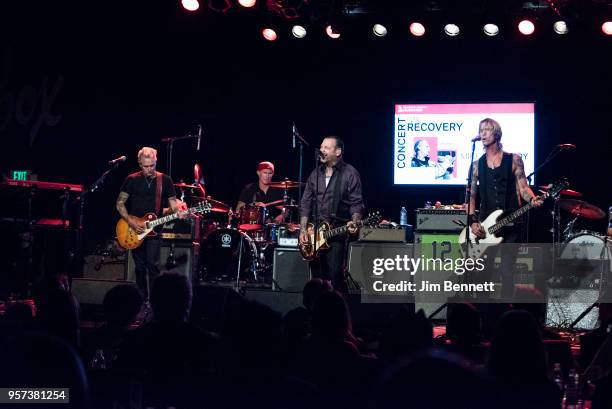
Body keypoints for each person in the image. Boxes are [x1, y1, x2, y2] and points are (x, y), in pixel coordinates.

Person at [468, 118, 543, 298]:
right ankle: (484, 314)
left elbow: (523, 188)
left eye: (487, 130)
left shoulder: (514, 159)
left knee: (508, 272)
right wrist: (472, 221)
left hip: (511, 221)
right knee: (483, 273)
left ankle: (507, 311)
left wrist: (532, 199)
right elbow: (471, 196)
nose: (483, 134)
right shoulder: (476, 164)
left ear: (496, 134)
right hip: (487, 226)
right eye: (481, 130)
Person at [116, 147, 183, 301]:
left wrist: (178, 212)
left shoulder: (165, 180)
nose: (149, 169)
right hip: (134, 229)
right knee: (139, 268)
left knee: (153, 266)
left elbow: (173, 205)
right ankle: (141, 299)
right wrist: (130, 220)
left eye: (152, 165)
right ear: (140, 164)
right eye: (146, 166)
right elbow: (120, 203)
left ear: (155, 162)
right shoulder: (131, 179)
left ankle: (155, 300)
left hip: (155, 229)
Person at [299, 136, 365, 290]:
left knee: (335, 276)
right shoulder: (315, 174)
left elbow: (356, 203)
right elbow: (306, 203)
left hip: (336, 233)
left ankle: (338, 309)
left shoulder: (350, 173)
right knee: (316, 278)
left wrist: (355, 220)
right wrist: (303, 229)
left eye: (327, 148)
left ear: (338, 152)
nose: (322, 150)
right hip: (314, 233)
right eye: (321, 147)